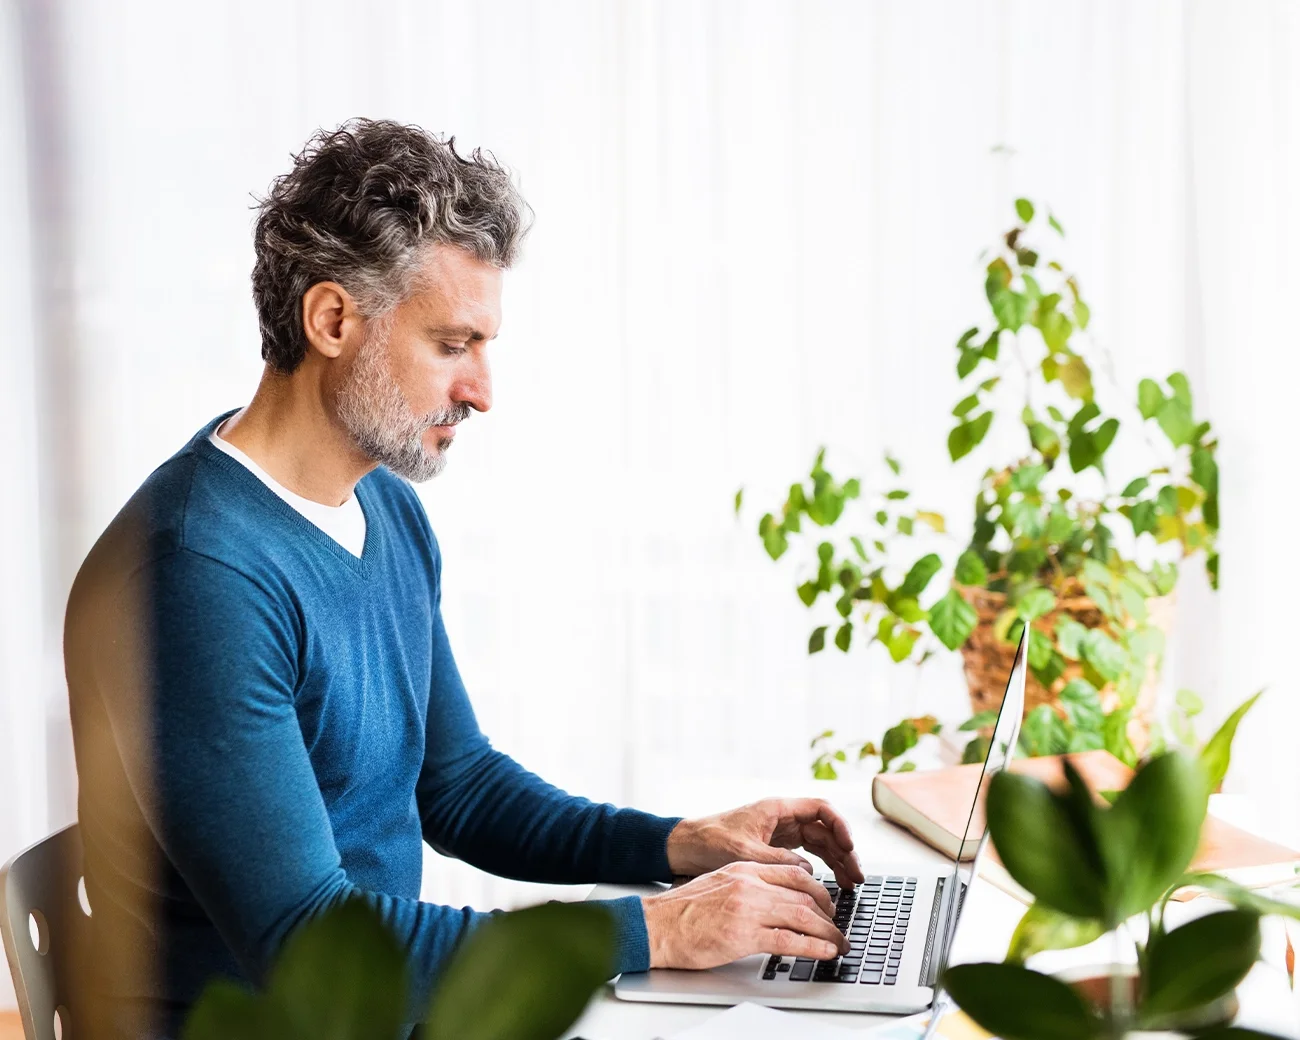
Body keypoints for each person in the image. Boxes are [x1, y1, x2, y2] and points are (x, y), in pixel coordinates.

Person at [64, 118, 861, 1039]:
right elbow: (310, 943)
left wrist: (676, 845)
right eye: (452, 344)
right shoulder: (200, 576)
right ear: (332, 320)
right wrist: (655, 927)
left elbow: (460, 787)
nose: (483, 390)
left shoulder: (383, 504)